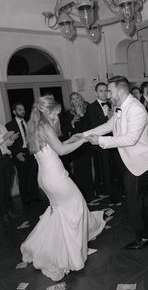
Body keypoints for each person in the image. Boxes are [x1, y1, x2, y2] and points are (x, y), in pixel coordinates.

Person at [77, 76, 148, 250]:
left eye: (110, 91)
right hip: (131, 159)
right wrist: (85, 135)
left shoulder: (136, 109)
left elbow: (131, 139)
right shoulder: (119, 106)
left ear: (121, 91)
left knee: (133, 200)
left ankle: (145, 238)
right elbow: (110, 125)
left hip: (142, 160)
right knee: (141, 195)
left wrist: (100, 141)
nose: (108, 94)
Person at [20, 95, 105, 281]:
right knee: (77, 207)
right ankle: (75, 253)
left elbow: (54, 147)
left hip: (45, 176)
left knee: (61, 212)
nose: (57, 116)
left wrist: (72, 138)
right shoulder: (45, 126)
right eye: (56, 113)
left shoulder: (35, 126)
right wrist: (83, 140)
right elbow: (61, 151)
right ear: (48, 111)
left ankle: (74, 246)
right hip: (56, 177)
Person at [87, 82, 122, 204]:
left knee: (117, 166)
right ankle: (111, 194)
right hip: (101, 142)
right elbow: (93, 125)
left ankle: (121, 190)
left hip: (115, 140)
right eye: (101, 91)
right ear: (96, 93)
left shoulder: (113, 103)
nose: (104, 93)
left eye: (105, 90)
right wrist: (107, 117)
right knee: (106, 169)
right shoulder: (91, 107)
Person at [63, 92, 95, 201]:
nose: (75, 101)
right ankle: (82, 195)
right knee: (78, 170)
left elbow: (92, 126)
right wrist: (72, 122)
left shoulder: (88, 110)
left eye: (77, 98)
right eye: (73, 99)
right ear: (71, 101)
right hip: (76, 146)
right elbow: (66, 131)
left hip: (87, 144)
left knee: (90, 169)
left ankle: (91, 194)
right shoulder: (69, 114)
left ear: (80, 99)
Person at [6, 102, 39, 205]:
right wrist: (16, 154)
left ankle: (35, 196)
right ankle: (25, 199)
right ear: (14, 112)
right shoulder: (9, 125)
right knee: (23, 177)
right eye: (20, 109)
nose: (23, 111)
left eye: (23, 109)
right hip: (19, 153)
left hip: (30, 151)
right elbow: (8, 143)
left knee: (33, 175)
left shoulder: (28, 123)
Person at [0, 124, 19, 226]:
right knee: (1, 188)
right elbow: (3, 139)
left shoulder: (1, 126)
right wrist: (4, 137)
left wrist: (11, 139)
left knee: (8, 186)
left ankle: (8, 211)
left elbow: (7, 144)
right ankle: (4, 214)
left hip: (6, 158)